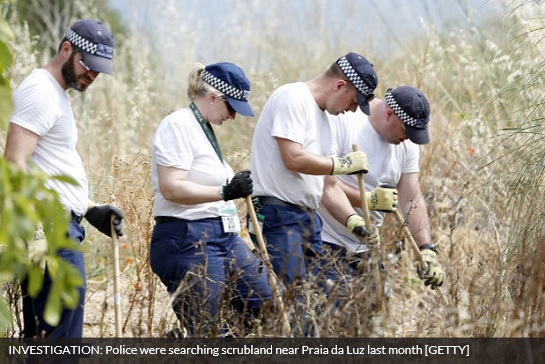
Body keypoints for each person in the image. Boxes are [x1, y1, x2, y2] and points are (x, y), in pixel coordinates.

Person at [3, 19, 124, 338]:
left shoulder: (56, 94)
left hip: (60, 222)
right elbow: (14, 162)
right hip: (50, 229)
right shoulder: (41, 90)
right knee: (62, 342)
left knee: (46, 336)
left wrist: (89, 209)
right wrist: (40, 233)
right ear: (66, 49)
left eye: (99, 70)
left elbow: (47, 169)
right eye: (88, 65)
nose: (93, 75)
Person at [149, 62, 273, 337]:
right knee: (210, 330)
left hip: (224, 237)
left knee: (265, 304)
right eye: (232, 109)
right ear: (214, 97)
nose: (233, 117)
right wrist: (225, 192)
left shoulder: (203, 130)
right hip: (188, 237)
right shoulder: (178, 125)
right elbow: (172, 188)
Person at [249, 52, 379, 288]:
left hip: (308, 218)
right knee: (293, 298)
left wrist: (354, 222)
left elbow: (328, 186)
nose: (351, 110)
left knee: (315, 298)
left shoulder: (327, 121)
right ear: (340, 85)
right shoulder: (293, 97)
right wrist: (343, 165)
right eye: (352, 102)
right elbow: (292, 157)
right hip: (278, 214)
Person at [318, 85, 445, 289]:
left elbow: (411, 197)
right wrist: (368, 200)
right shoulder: (345, 120)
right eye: (407, 130)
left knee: (377, 313)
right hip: (326, 239)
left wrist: (426, 248)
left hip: (366, 245)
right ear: (389, 114)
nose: (409, 138)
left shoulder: (407, 143)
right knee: (334, 314)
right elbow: (324, 182)